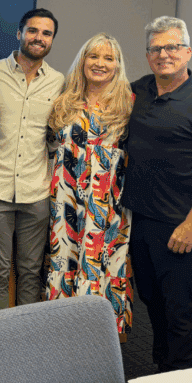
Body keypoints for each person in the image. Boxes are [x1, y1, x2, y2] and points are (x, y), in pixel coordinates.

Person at [122, 16, 192, 371]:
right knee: (151, 300)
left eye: (172, 47)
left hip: (180, 224)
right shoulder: (137, 92)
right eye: (156, 49)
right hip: (141, 220)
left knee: (179, 310)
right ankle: (162, 371)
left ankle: (182, 380)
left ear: (188, 52)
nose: (164, 55)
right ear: (147, 55)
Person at [47, 34, 135, 333]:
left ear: (117, 65)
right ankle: (62, 331)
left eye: (108, 58)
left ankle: (100, 338)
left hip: (107, 204)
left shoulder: (128, 105)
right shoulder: (64, 101)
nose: (100, 63)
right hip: (67, 199)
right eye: (93, 56)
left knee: (101, 263)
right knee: (65, 260)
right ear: (82, 60)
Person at [0, 8, 65, 309]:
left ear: (52, 40)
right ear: (19, 33)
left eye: (46, 33)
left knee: (31, 272)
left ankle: (25, 334)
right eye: (33, 30)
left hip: (36, 192)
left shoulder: (58, 82)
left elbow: (56, 132)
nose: (38, 38)